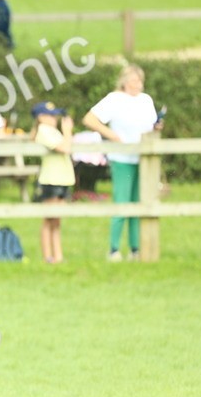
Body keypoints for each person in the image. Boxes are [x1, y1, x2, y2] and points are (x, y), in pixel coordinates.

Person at [82, 64, 162, 261]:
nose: (138, 84)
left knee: (139, 204)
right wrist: (112, 135)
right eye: (134, 81)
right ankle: (114, 249)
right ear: (125, 82)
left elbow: (151, 126)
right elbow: (90, 119)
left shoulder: (146, 100)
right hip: (122, 158)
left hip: (142, 158)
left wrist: (158, 126)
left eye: (140, 81)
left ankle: (135, 249)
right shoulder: (114, 99)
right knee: (122, 203)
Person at [32, 101, 75, 264]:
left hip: (62, 178)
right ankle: (48, 256)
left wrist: (65, 133)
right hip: (51, 179)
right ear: (41, 117)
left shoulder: (53, 131)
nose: (54, 118)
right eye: (50, 115)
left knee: (57, 221)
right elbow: (65, 148)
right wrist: (67, 131)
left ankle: (58, 256)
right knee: (49, 220)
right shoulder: (43, 131)